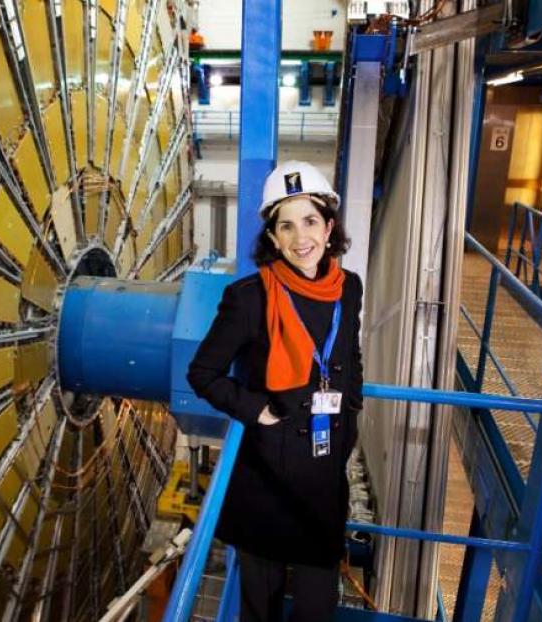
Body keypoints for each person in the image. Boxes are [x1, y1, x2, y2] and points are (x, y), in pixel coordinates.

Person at [187, 161, 363, 622]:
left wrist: (351, 420)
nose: (300, 238)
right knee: (258, 611)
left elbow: (351, 359)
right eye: (286, 226)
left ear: (329, 228)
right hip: (265, 478)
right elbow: (202, 373)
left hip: (324, 479)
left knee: (315, 609)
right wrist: (257, 411)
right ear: (272, 238)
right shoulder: (250, 297)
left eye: (309, 221)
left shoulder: (349, 290)